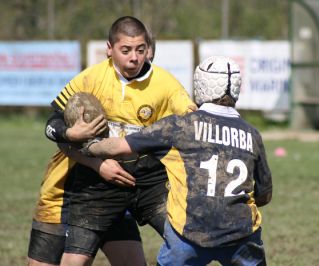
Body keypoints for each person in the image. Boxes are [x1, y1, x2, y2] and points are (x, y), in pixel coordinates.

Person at [28, 16, 195, 266]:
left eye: (140, 50)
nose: (134, 57)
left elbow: (192, 118)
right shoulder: (91, 79)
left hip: (127, 186)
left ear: (148, 49)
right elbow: (53, 125)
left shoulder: (165, 84)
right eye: (126, 50)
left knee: (182, 240)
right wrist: (73, 137)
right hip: (67, 188)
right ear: (110, 49)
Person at [85, 56, 273, 266]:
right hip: (242, 234)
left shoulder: (179, 127)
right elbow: (265, 195)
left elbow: (117, 147)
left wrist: (87, 146)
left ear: (200, 85)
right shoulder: (252, 134)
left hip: (189, 233)